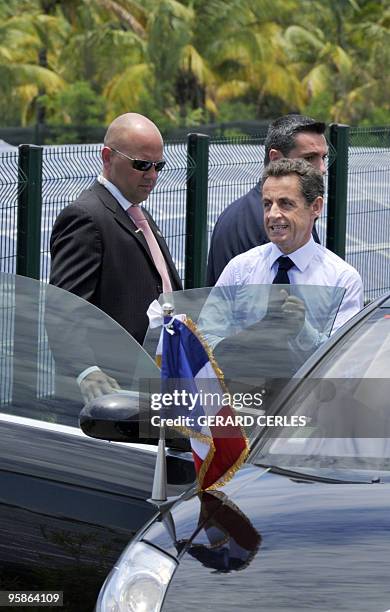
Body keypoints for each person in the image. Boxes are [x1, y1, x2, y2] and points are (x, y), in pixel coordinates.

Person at [49, 112, 182, 399]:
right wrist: (86, 370)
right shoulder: (87, 217)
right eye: (142, 164)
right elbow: (64, 307)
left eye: (159, 165)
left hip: (154, 380)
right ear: (108, 157)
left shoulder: (137, 213)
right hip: (117, 389)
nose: (152, 175)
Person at [215, 158, 363, 338]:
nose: (273, 214)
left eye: (285, 203)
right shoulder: (239, 269)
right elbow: (208, 337)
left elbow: (340, 357)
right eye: (267, 204)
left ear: (315, 207)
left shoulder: (342, 280)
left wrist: (304, 331)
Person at [206, 114, 328, 285]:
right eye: (309, 158)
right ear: (276, 159)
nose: (322, 168)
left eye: (324, 158)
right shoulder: (281, 224)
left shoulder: (239, 210)